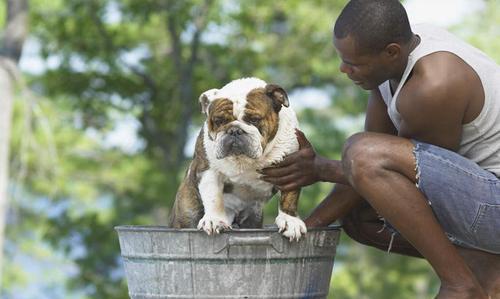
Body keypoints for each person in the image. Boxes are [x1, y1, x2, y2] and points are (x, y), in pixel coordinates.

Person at [260, 0, 500, 298]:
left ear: (391, 52)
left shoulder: (434, 85)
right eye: (343, 59)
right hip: (479, 200)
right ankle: (483, 265)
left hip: (494, 200)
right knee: (358, 218)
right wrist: (306, 230)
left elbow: (405, 179)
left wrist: (321, 169)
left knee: (361, 152)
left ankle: (460, 284)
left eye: (354, 63)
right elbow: (372, 177)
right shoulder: (389, 64)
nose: (343, 69)